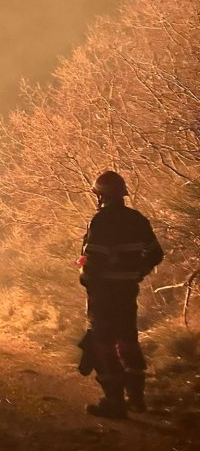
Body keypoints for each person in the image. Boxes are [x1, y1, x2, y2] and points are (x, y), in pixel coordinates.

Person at [79, 170, 163, 418]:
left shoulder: (101, 221)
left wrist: (86, 279)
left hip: (104, 292)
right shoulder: (138, 220)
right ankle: (136, 399)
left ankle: (114, 401)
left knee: (102, 343)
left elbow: (93, 259)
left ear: (100, 195)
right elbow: (156, 253)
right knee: (128, 340)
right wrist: (137, 272)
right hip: (127, 291)